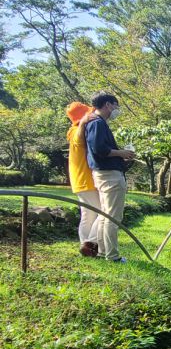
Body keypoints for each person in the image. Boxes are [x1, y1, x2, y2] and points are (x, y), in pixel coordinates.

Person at [85, 92, 135, 263]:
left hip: (103, 174)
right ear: (107, 104)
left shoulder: (96, 122)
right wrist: (122, 153)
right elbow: (100, 149)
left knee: (105, 215)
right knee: (113, 217)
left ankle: (102, 252)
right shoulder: (97, 123)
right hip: (109, 176)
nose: (116, 110)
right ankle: (112, 256)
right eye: (115, 106)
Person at [66, 102, 101, 257]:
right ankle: (89, 244)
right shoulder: (75, 130)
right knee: (102, 212)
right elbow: (78, 139)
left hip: (82, 180)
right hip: (84, 180)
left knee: (88, 215)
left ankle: (85, 245)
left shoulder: (81, 129)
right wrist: (84, 121)